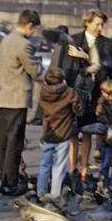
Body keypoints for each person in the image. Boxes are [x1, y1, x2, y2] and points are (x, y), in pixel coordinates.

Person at [50, 8, 112, 188]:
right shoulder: (73, 41)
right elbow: (64, 69)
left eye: (102, 24)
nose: (100, 27)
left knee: (88, 132)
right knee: (73, 133)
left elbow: (110, 72)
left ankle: (84, 169)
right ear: (87, 22)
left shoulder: (108, 44)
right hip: (74, 95)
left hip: (95, 95)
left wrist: (86, 57)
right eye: (97, 24)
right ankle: (72, 169)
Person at [0, 9, 43, 196]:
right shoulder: (24, 44)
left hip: (4, 96)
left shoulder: (6, 39)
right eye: (35, 29)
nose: (35, 33)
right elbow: (35, 71)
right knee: (15, 141)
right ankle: (10, 183)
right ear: (30, 25)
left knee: (3, 139)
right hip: (17, 98)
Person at [36, 67, 80, 200]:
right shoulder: (69, 92)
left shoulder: (43, 93)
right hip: (64, 134)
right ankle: (55, 195)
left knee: (44, 165)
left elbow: (43, 113)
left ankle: (41, 193)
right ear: (63, 81)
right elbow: (78, 108)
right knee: (59, 166)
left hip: (48, 134)